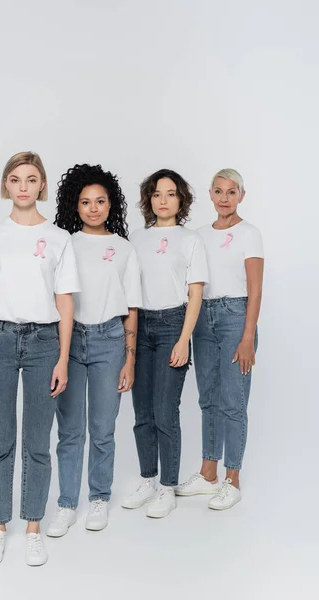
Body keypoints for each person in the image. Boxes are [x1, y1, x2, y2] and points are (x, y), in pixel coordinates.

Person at [0, 151, 79, 565]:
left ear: (42, 185)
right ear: (6, 186)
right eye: (16, 180)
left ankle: (33, 525)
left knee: (37, 441)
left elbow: (64, 302)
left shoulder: (58, 238)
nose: (24, 187)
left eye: (32, 179)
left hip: (43, 343)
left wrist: (63, 358)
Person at [47, 164, 142, 535]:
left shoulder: (122, 249)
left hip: (109, 341)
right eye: (85, 202)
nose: (93, 208)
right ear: (75, 205)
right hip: (68, 342)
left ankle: (99, 497)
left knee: (103, 428)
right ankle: (67, 503)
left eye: (100, 201)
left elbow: (131, 306)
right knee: (70, 430)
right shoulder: (63, 243)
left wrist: (129, 359)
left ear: (111, 204)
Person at [122, 169, 208, 518]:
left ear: (181, 199)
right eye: (157, 194)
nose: (163, 200)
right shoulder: (136, 240)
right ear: (149, 199)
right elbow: (129, 291)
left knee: (164, 410)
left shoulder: (190, 240)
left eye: (170, 194)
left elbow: (196, 293)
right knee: (141, 412)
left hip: (174, 323)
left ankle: (168, 486)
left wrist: (184, 339)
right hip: (140, 325)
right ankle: (149, 478)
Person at [176, 168, 264, 510]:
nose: (224, 198)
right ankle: (208, 472)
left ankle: (233, 479)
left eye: (231, 192)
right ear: (210, 195)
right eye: (218, 191)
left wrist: (246, 336)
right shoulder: (198, 235)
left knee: (233, 401)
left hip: (235, 316)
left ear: (241, 195)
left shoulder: (249, 233)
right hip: (203, 317)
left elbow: (255, 290)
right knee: (208, 399)